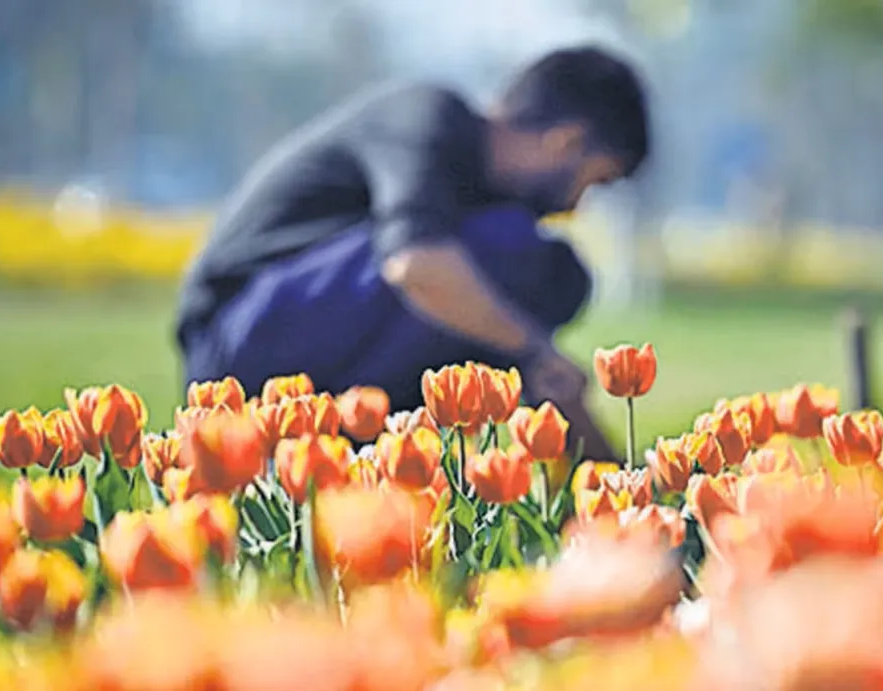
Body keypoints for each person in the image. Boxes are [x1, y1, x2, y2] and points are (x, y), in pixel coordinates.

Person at [176, 45, 653, 461]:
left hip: (319, 330)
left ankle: (377, 466)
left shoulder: (488, 212)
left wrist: (624, 492)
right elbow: (416, 267)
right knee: (511, 258)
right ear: (565, 142)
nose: (574, 207)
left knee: (548, 279)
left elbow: (526, 360)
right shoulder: (429, 117)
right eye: (593, 181)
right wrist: (533, 347)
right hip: (236, 343)